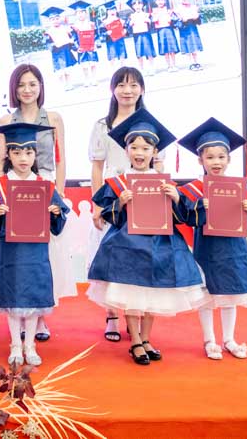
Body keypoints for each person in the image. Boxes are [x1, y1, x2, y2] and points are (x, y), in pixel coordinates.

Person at [87, 108, 206, 365]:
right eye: (134, 147)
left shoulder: (164, 182)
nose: (139, 153)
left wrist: (176, 198)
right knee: (130, 291)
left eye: (145, 148)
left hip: (159, 245)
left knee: (154, 292)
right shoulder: (119, 182)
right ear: (126, 150)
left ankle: (146, 338)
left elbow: (181, 216)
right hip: (127, 245)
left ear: (155, 152)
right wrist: (120, 202)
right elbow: (108, 214)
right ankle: (135, 342)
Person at [0, 64, 74, 343]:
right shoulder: (6, 119)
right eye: (21, 85)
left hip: (44, 187)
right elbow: (0, 160)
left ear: (41, 87)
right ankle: (19, 314)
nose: (27, 90)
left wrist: (59, 194)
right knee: (18, 257)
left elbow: (61, 159)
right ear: (14, 89)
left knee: (44, 258)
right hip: (14, 190)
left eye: (32, 84)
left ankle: (40, 317)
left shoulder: (54, 118)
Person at [0, 122, 69, 366]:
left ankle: (30, 345)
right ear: (8, 154)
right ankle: (15, 345)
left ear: (35, 155)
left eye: (28, 152)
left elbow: (60, 215)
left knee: (32, 299)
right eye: (17, 152)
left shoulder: (44, 185)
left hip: (36, 253)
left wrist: (55, 212)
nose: (23, 158)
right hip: (11, 253)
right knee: (13, 299)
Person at [177, 118, 247, 361]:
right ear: (200, 160)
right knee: (207, 296)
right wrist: (200, 207)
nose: (216, 162)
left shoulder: (240, 187)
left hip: (233, 248)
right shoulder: (195, 189)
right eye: (210, 157)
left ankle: (229, 339)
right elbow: (185, 216)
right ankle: (209, 340)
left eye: (221, 157)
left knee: (230, 294)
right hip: (207, 248)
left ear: (229, 159)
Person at [88, 66, 146, 343]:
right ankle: (111, 315)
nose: (127, 91)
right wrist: (97, 204)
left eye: (133, 85)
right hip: (112, 194)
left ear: (142, 90)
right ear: (112, 90)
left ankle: (137, 316)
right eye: (121, 85)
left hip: (142, 194)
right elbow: (96, 167)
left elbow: (158, 164)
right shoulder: (103, 125)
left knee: (138, 257)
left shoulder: (148, 123)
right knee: (111, 256)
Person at [171, 0, 203, 71]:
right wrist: (181, 20)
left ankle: (196, 62)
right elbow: (175, 23)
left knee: (195, 47)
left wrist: (197, 17)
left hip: (193, 29)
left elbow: (199, 20)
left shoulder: (193, 7)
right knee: (188, 47)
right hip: (184, 30)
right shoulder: (177, 9)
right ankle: (191, 63)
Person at [42, 7, 76, 90]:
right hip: (57, 53)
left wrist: (71, 42)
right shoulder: (48, 32)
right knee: (60, 72)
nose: (55, 20)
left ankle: (69, 83)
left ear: (60, 19)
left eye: (57, 18)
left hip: (66, 51)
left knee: (67, 70)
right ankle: (63, 85)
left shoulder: (65, 29)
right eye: (53, 19)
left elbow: (71, 39)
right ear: (49, 21)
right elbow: (48, 44)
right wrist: (54, 45)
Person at [70, 0, 99, 86]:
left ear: (86, 13)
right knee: (84, 65)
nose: (80, 14)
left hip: (91, 47)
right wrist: (76, 47)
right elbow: (74, 38)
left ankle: (94, 79)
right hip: (81, 48)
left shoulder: (91, 24)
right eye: (78, 13)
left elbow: (96, 35)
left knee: (93, 64)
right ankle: (86, 79)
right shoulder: (74, 26)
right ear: (75, 15)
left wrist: (96, 44)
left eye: (82, 12)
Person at [127, 0, 157, 73]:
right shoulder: (131, 16)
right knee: (139, 53)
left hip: (146, 35)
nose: (137, 6)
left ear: (142, 5)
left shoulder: (147, 15)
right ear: (132, 6)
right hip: (137, 36)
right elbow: (128, 30)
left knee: (149, 51)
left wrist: (149, 22)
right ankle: (141, 69)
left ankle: (152, 68)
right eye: (135, 4)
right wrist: (130, 24)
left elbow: (153, 27)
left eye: (139, 3)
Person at [152, 0, 180, 73]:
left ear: (165, 0)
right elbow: (153, 21)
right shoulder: (154, 11)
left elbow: (175, 20)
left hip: (169, 30)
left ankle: (174, 65)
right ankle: (169, 66)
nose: (160, 2)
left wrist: (171, 16)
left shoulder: (169, 10)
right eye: (158, 0)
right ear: (155, 1)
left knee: (172, 48)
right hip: (160, 31)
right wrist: (155, 16)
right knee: (165, 50)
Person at [101, 1, 129, 66]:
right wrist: (106, 33)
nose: (112, 11)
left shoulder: (121, 20)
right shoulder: (104, 22)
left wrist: (125, 30)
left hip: (120, 40)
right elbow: (101, 34)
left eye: (113, 9)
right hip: (110, 42)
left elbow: (126, 30)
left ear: (116, 10)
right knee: (112, 56)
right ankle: (113, 69)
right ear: (107, 11)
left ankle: (122, 68)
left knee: (122, 55)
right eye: (110, 10)